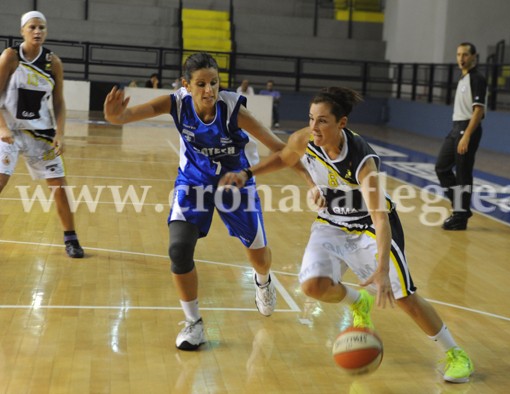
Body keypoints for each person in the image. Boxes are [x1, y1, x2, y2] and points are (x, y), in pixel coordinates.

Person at [219, 87, 475, 383]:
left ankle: (455, 353)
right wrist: (247, 174)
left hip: (369, 226)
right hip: (331, 223)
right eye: (311, 118)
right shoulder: (307, 138)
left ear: (341, 123)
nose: (314, 127)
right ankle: (358, 301)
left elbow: (380, 217)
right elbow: (286, 157)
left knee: (403, 297)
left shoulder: (362, 159)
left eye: (323, 121)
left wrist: (380, 269)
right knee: (313, 286)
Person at [103, 52, 282, 350]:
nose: (209, 90)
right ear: (186, 84)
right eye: (201, 84)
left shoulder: (233, 109)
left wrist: (313, 170)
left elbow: (278, 148)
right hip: (194, 182)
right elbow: (129, 115)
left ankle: (263, 281)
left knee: (259, 257)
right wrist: (114, 117)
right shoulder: (176, 103)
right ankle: (194, 324)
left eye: (214, 82)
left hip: (235, 183)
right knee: (179, 249)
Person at [0, 11, 84, 259]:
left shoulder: (53, 62)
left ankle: (71, 239)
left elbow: (58, 102)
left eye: (42, 28)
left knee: (59, 185)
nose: (37, 32)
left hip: (41, 133)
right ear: (22, 31)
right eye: (33, 27)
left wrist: (61, 132)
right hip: (10, 131)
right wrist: (2, 128)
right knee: (1, 179)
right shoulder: (10, 57)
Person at [435, 42, 487, 231]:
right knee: (441, 167)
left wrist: (466, 136)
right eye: (458, 54)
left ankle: (460, 215)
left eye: (465, 55)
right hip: (456, 127)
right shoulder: (462, 78)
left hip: (467, 128)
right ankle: (461, 209)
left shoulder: (477, 79)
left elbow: (478, 110)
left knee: (463, 172)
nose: (461, 58)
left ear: (474, 56)